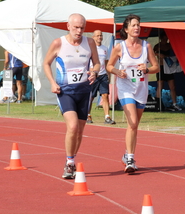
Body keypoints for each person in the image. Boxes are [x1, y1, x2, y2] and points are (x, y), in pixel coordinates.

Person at [43, 13, 100, 179]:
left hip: (84, 91)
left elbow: (97, 63)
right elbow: (46, 63)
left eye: (82, 27)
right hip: (65, 91)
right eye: (76, 27)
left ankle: (72, 160)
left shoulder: (89, 42)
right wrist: (52, 82)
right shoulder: (58, 43)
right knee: (73, 126)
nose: (79, 30)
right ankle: (68, 163)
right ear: (68, 26)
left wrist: (94, 72)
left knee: (80, 131)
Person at [106, 14, 159, 173]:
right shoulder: (119, 47)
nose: (137, 28)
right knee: (133, 122)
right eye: (134, 25)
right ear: (126, 29)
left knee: (133, 126)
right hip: (125, 89)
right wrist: (117, 71)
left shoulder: (146, 47)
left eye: (138, 25)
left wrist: (147, 69)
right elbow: (109, 66)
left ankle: (126, 155)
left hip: (141, 89)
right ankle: (130, 158)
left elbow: (156, 67)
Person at [86, 30, 115, 124]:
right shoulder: (90, 48)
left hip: (103, 75)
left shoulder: (105, 49)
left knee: (105, 95)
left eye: (101, 35)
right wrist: (91, 73)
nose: (99, 37)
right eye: (97, 36)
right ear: (93, 37)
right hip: (93, 75)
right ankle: (88, 115)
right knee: (91, 96)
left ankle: (107, 117)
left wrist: (108, 74)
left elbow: (107, 62)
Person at [153, 31, 182, 111]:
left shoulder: (169, 45)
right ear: (161, 38)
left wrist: (166, 56)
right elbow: (152, 54)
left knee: (172, 87)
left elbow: (175, 53)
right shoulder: (157, 46)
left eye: (167, 39)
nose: (165, 40)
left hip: (169, 68)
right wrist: (157, 54)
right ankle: (158, 104)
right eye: (164, 39)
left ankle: (174, 104)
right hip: (161, 68)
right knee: (160, 86)